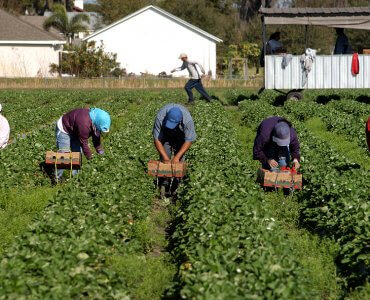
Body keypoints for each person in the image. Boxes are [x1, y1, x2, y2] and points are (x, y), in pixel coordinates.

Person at [55, 107, 111, 180]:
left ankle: (75, 177)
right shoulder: (84, 123)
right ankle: (57, 178)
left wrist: (100, 151)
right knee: (64, 154)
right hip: (64, 128)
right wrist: (90, 158)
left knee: (77, 154)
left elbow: (96, 138)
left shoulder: (96, 120)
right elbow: (84, 143)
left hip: (76, 130)